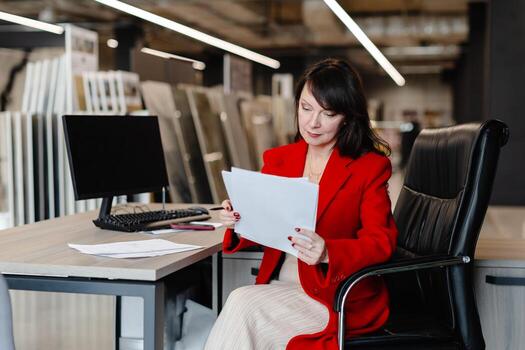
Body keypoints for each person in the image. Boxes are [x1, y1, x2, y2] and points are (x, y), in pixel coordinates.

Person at [204, 58, 398, 350]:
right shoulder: (280, 159)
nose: (312, 122)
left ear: (347, 116)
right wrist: (239, 218)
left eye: (328, 113)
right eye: (306, 108)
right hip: (279, 285)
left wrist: (328, 252)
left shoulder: (369, 167)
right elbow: (262, 225)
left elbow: (381, 241)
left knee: (242, 306)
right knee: (243, 309)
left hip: (333, 296)